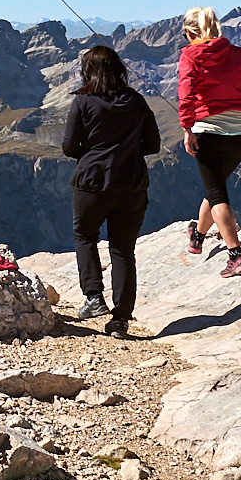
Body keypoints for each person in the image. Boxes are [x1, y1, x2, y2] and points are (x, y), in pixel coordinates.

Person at [60, 44, 161, 338]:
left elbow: (69, 147)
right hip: (131, 183)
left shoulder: (82, 102)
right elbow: (153, 145)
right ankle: (120, 320)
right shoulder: (137, 101)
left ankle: (93, 297)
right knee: (122, 249)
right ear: (119, 70)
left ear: (87, 71)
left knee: (85, 235)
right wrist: (127, 152)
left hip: (91, 182)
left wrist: (91, 152)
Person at [176, 6, 241, 278]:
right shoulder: (240, 54)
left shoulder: (190, 55)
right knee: (215, 188)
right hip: (239, 133)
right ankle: (197, 236)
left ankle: (236, 255)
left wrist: (187, 128)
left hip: (206, 131)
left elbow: (186, 94)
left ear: (189, 33)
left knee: (217, 194)